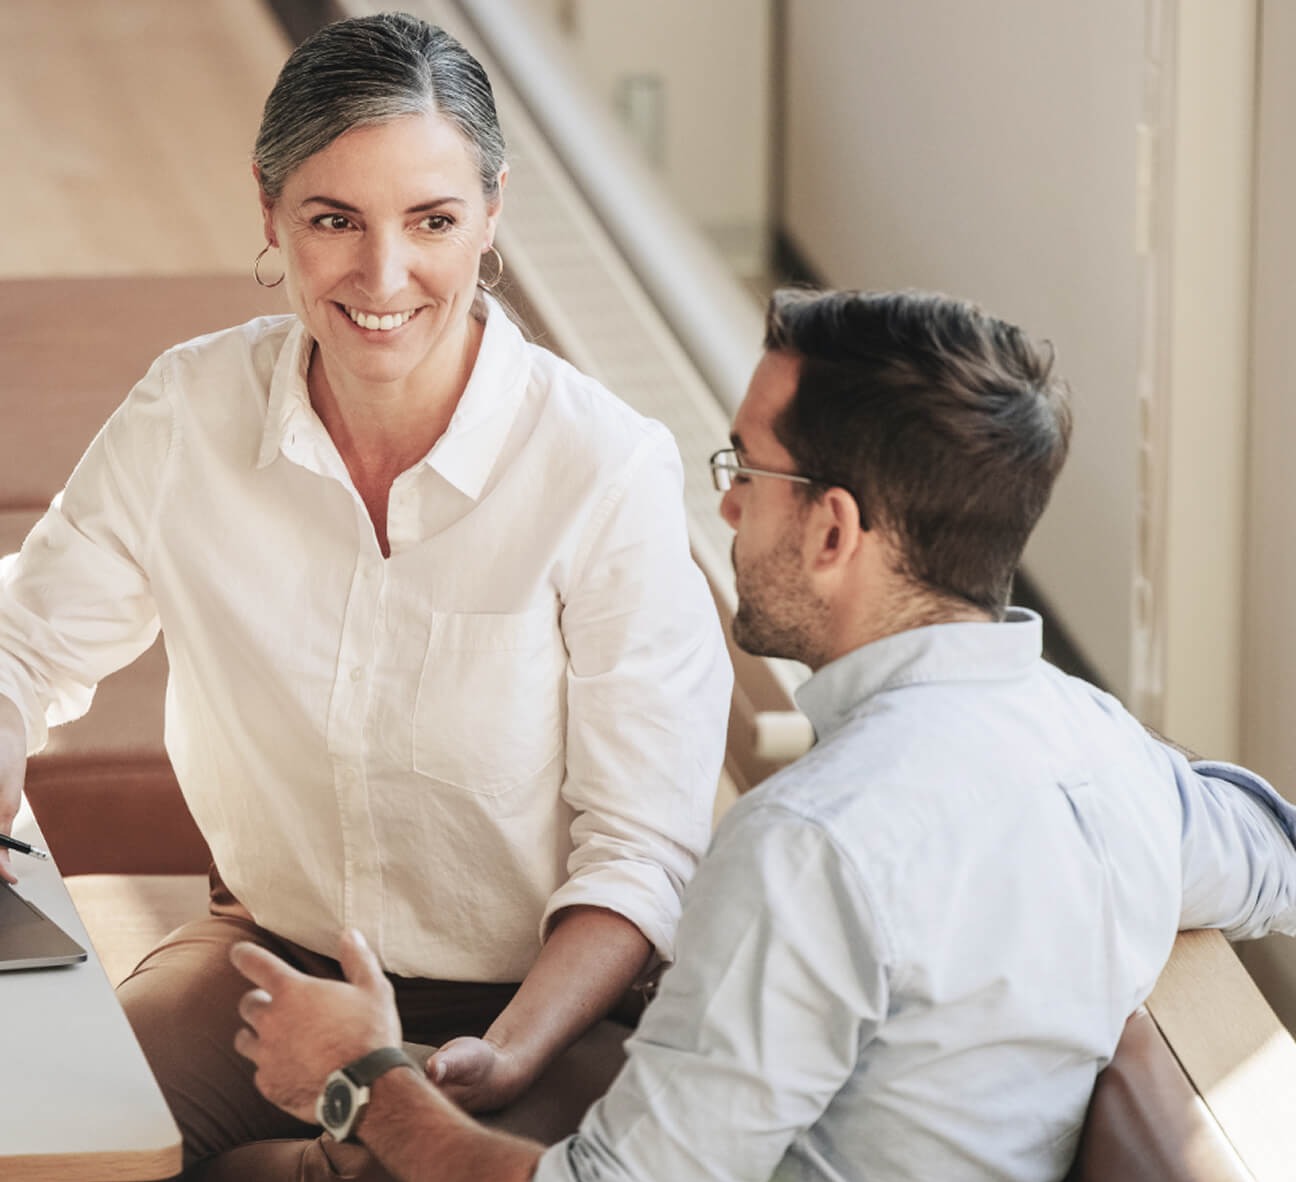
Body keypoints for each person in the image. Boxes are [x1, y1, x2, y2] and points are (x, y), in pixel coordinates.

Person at [231, 286, 1296, 1182]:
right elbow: (1271, 853)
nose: (729, 509)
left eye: (746, 470)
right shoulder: (1108, 755)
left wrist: (363, 1083)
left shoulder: (812, 842)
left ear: (833, 529)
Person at [0, 11, 731, 1178]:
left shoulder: (602, 467)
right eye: (334, 220)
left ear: (493, 211)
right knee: (45, 1141)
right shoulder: (188, 413)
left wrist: (507, 1051)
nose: (382, 278)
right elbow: (23, 639)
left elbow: (641, 848)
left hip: (537, 1007)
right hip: (269, 966)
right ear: (270, 208)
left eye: (432, 221)